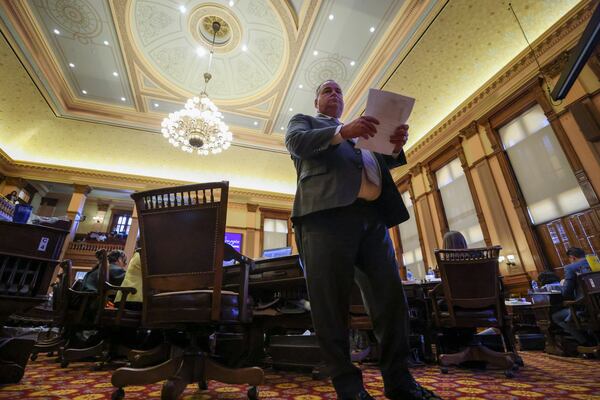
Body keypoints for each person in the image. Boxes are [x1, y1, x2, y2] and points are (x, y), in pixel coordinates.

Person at [286, 80, 440, 400]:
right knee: (330, 304)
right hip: (324, 217)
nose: (334, 95)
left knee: (391, 302)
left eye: (339, 92)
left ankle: (399, 381)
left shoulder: (362, 129)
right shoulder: (306, 122)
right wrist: (343, 133)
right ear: (317, 101)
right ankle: (349, 387)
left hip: (374, 220)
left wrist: (394, 144)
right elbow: (296, 143)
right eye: (327, 91)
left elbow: (382, 161)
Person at [551, 247, 593, 345]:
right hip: (596, 305)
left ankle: (586, 342)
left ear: (572, 258)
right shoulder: (596, 262)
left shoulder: (570, 268)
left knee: (556, 316)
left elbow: (567, 292)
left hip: (586, 309)